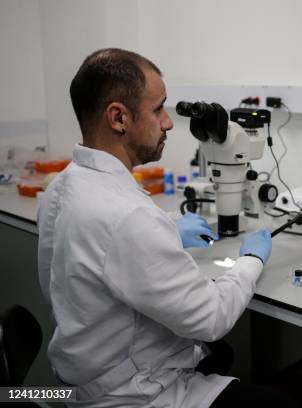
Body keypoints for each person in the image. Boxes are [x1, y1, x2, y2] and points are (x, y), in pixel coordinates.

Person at [37, 48, 282, 407]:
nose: (168, 122)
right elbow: (211, 317)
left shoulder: (61, 188)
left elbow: (92, 256)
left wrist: (167, 228)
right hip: (136, 394)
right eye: (158, 109)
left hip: (81, 376)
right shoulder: (129, 217)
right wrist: (250, 262)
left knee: (219, 353)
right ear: (119, 117)